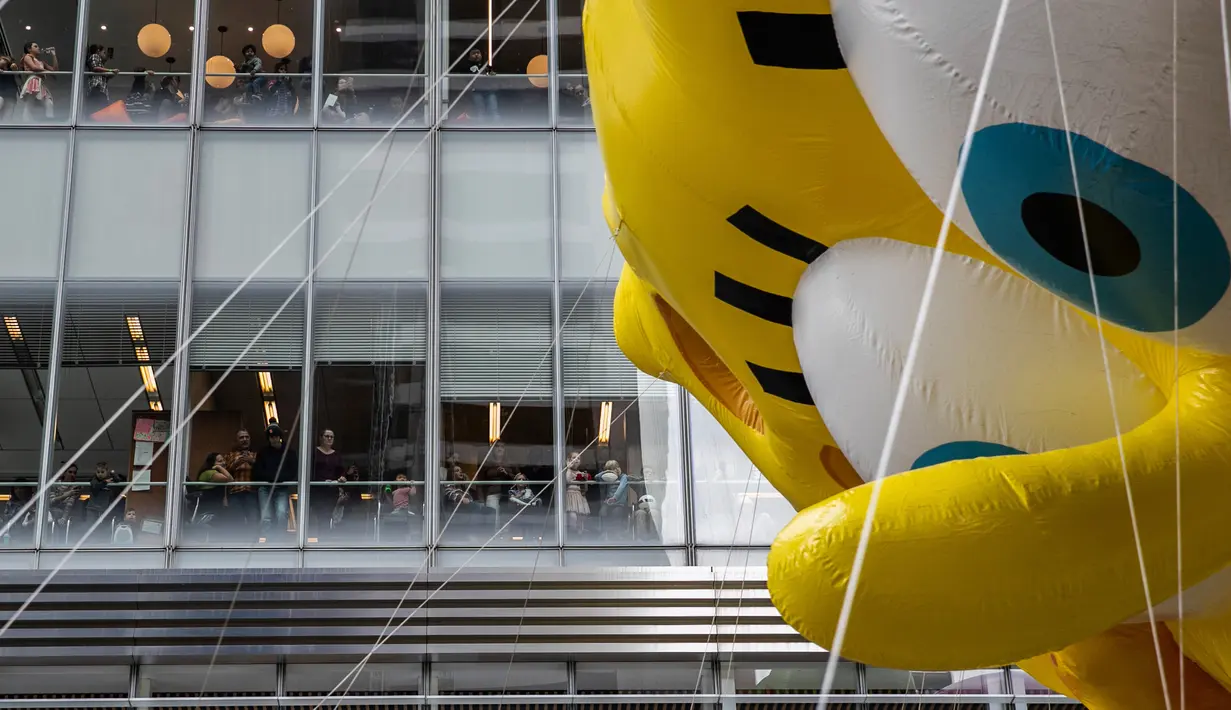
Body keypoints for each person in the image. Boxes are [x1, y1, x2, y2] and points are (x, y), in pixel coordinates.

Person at [252, 423, 298, 537]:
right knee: (266, 517)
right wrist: (273, 478)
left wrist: (278, 479)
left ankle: (280, 540)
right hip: (265, 488)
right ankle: (269, 543)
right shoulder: (262, 452)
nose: (274, 438)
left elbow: (293, 471)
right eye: (271, 437)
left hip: (281, 488)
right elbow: (257, 472)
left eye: (276, 436)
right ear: (268, 438)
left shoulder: (289, 452)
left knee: (282, 514)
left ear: (280, 437)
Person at [222, 428, 258, 531]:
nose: (244, 439)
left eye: (247, 437)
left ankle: (252, 546)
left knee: (253, 522)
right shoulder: (229, 455)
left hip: (252, 492)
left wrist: (253, 462)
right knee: (237, 522)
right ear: (236, 440)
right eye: (241, 437)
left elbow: (263, 472)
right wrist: (234, 465)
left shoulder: (256, 455)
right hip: (235, 493)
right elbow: (224, 475)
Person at [311, 429, 345, 533]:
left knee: (328, 516)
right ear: (321, 438)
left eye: (331, 437)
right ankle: (322, 542)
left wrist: (341, 478)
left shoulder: (336, 455)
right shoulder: (314, 453)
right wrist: (322, 481)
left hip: (331, 490)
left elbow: (341, 470)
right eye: (327, 436)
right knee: (321, 516)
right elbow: (310, 471)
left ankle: (324, 540)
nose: (329, 438)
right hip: (318, 490)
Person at [18, 42, 58, 120]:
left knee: (48, 103)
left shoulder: (41, 62)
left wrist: (54, 55)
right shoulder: (27, 56)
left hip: (40, 83)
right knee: (30, 103)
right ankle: (26, 123)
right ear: (29, 49)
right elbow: (33, 67)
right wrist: (47, 71)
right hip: (33, 80)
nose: (38, 48)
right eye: (35, 46)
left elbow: (55, 70)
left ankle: (49, 121)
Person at [84, 463, 125, 537]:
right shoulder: (94, 479)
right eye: (98, 472)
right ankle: (89, 541)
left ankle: (102, 540)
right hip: (92, 507)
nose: (100, 474)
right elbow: (95, 486)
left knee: (105, 526)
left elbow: (118, 480)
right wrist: (105, 482)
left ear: (107, 472)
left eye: (102, 472)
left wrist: (113, 473)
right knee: (90, 526)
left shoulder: (109, 479)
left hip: (104, 507)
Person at [195, 452, 233, 525]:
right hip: (208, 508)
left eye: (223, 460)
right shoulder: (209, 472)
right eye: (220, 461)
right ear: (212, 463)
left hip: (216, 508)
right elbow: (229, 479)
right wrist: (219, 467)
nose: (224, 463)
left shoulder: (217, 473)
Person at [464, 48, 499, 121]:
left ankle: (495, 128)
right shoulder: (466, 66)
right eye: (474, 53)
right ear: (469, 56)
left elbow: (494, 74)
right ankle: (481, 127)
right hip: (476, 91)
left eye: (478, 53)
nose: (476, 55)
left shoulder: (487, 64)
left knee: (493, 111)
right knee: (480, 112)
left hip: (489, 90)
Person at [84, 44, 118, 113]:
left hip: (101, 90)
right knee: (98, 110)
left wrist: (111, 74)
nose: (105, 54)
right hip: (97, 88)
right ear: (98, 51)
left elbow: (103, 75)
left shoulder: (101, 64)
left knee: (99, 111)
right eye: (104, 52)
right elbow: (95, 68)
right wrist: (110, 70)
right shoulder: (95, 56)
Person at [0, 56, 20, 121]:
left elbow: (19, 83)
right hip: (1, 94)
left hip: (10, 94)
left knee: (8, 116)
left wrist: (15, 72)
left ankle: (5, 130)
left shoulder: (11, 70)